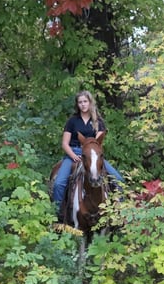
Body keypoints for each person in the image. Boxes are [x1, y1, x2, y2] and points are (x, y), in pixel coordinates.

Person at [52, 90, 123, 219]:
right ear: (77, 105)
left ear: (90, 103)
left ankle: (120, 213)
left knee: (118, 179)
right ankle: (58, 214)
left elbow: (97, 144)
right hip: (73, 153)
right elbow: (65, 143)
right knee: (59, 183)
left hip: (92, 156)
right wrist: (72, 155)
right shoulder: (72, 121)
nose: (83, 104)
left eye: (85, 101)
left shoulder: (98, 122)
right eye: (80, 102)